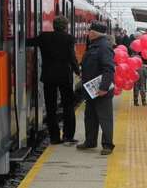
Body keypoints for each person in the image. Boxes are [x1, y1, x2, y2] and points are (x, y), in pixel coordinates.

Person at [27, 15, 80, 145]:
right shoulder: (69, 39)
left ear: (53, 25)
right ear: (66, 27)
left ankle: (55, 138)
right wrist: (78, 71)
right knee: (68, 106)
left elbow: (29, 42)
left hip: (49, 76)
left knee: (51, 108)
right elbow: (72, 58)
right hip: (64, 77)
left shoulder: (44, 37)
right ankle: (68, 136)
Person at [77, 21, 115, 155]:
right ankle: (90, 141)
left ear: (93, 33)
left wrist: (104, 87)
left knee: (104, 118)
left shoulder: (104, 47)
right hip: (91, 89)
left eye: (89, 31)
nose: (87, 34)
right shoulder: (95, 45)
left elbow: (109, 69)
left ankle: (107, 145)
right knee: (90, 117)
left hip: (100, 90)